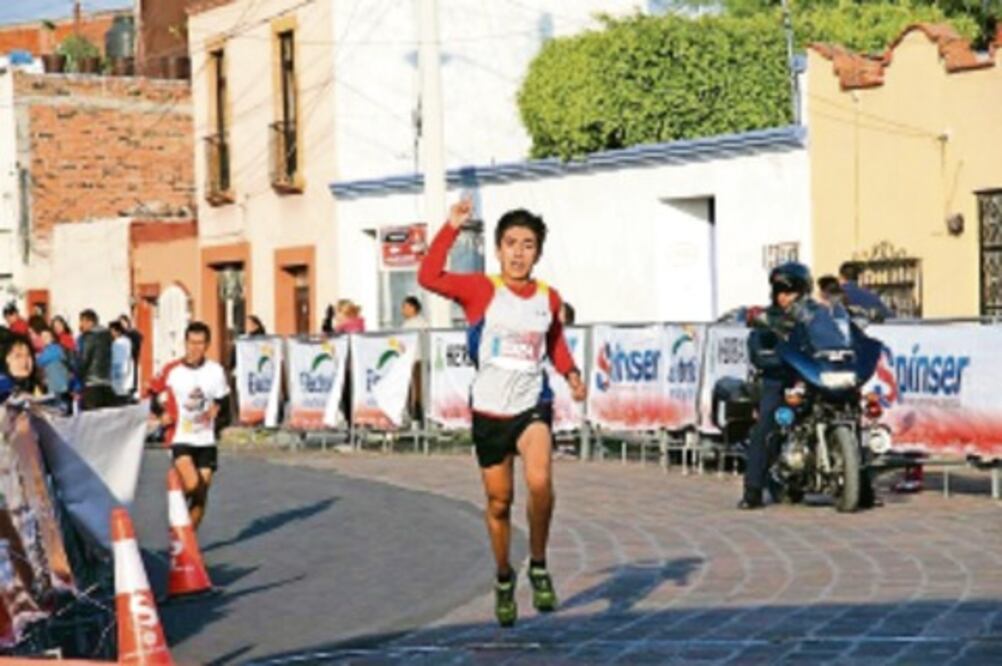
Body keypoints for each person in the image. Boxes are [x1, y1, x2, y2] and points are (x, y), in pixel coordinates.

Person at [419, 198, 586, 627]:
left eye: (528, 245)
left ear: (538, 252)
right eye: (511, 243)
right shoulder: (480, 289)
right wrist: (451, 228)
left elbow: (554, 344)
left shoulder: (548, 298)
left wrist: (570, 373)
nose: (518, 253)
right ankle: (504, 575)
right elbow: (428, 276)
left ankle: (539, 564)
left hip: (532, 405)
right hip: (490, 412)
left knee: (540, 482)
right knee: (499, 502)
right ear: (498, 249)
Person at [741, 262, 852, 510]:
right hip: (783, 379)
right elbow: (757, 348)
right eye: (779, 291)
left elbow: (837, 338)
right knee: (767, 424)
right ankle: (753, 490)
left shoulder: (818, 315)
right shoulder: (769, 318)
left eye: (790, 291)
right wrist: (771, 356)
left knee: (853, 405)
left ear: (802, 291)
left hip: (817, 376)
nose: (784, 297)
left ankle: (861, 481)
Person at [146, 322, 230, 530]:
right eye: (191, 343)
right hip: (179, 436)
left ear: (207, 345)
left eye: (200, 343)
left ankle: (186, 539)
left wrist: (218, 413)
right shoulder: (172, 370)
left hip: (206, 439)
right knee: (192, 483)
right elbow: (150, 393)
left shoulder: (215, 371)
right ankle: (176, 506)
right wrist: (161, 413)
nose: (195, 348)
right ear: (185, 343)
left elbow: (224, 403)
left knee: (201, 495)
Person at [77, 310, 115, 411]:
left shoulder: (89, 337)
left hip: (92, 382)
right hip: (107, 382)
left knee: (91, 416)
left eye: (82, 321)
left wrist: (78, 375)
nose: (81, 325)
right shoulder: (108, 336)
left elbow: (84, 360)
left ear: (90, 322)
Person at [400, 296, 428, 421]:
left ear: (413, 308)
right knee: (412, 389)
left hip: (417, 360)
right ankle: (414, 415)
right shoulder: (408, 323)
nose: (402, 310)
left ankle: (418, 416)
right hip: (410, 360)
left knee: (417, 390)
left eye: (405, 307)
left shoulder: (419, 323)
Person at [0, 334, 37, 403]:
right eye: (18, 356)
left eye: (28, 355)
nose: (24, 361)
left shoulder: (31, 385)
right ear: (7, 359)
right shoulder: (3, 384)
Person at [109, 321, 135, 404]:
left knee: (121, 396)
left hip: (122, 371)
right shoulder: (115, 343)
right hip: (117, 371)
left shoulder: (124, 342)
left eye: (112, 331)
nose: (111, 333)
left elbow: (124, 358)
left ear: (118, 331)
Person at [118, 315, 143, 391]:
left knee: (132, 373)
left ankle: (132, 389)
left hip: (131, 356)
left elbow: (139, 339)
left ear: (127, 322)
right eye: (120, 323)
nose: (122, 325)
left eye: (123, 323)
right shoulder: (120, 334)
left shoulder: (133, 332)